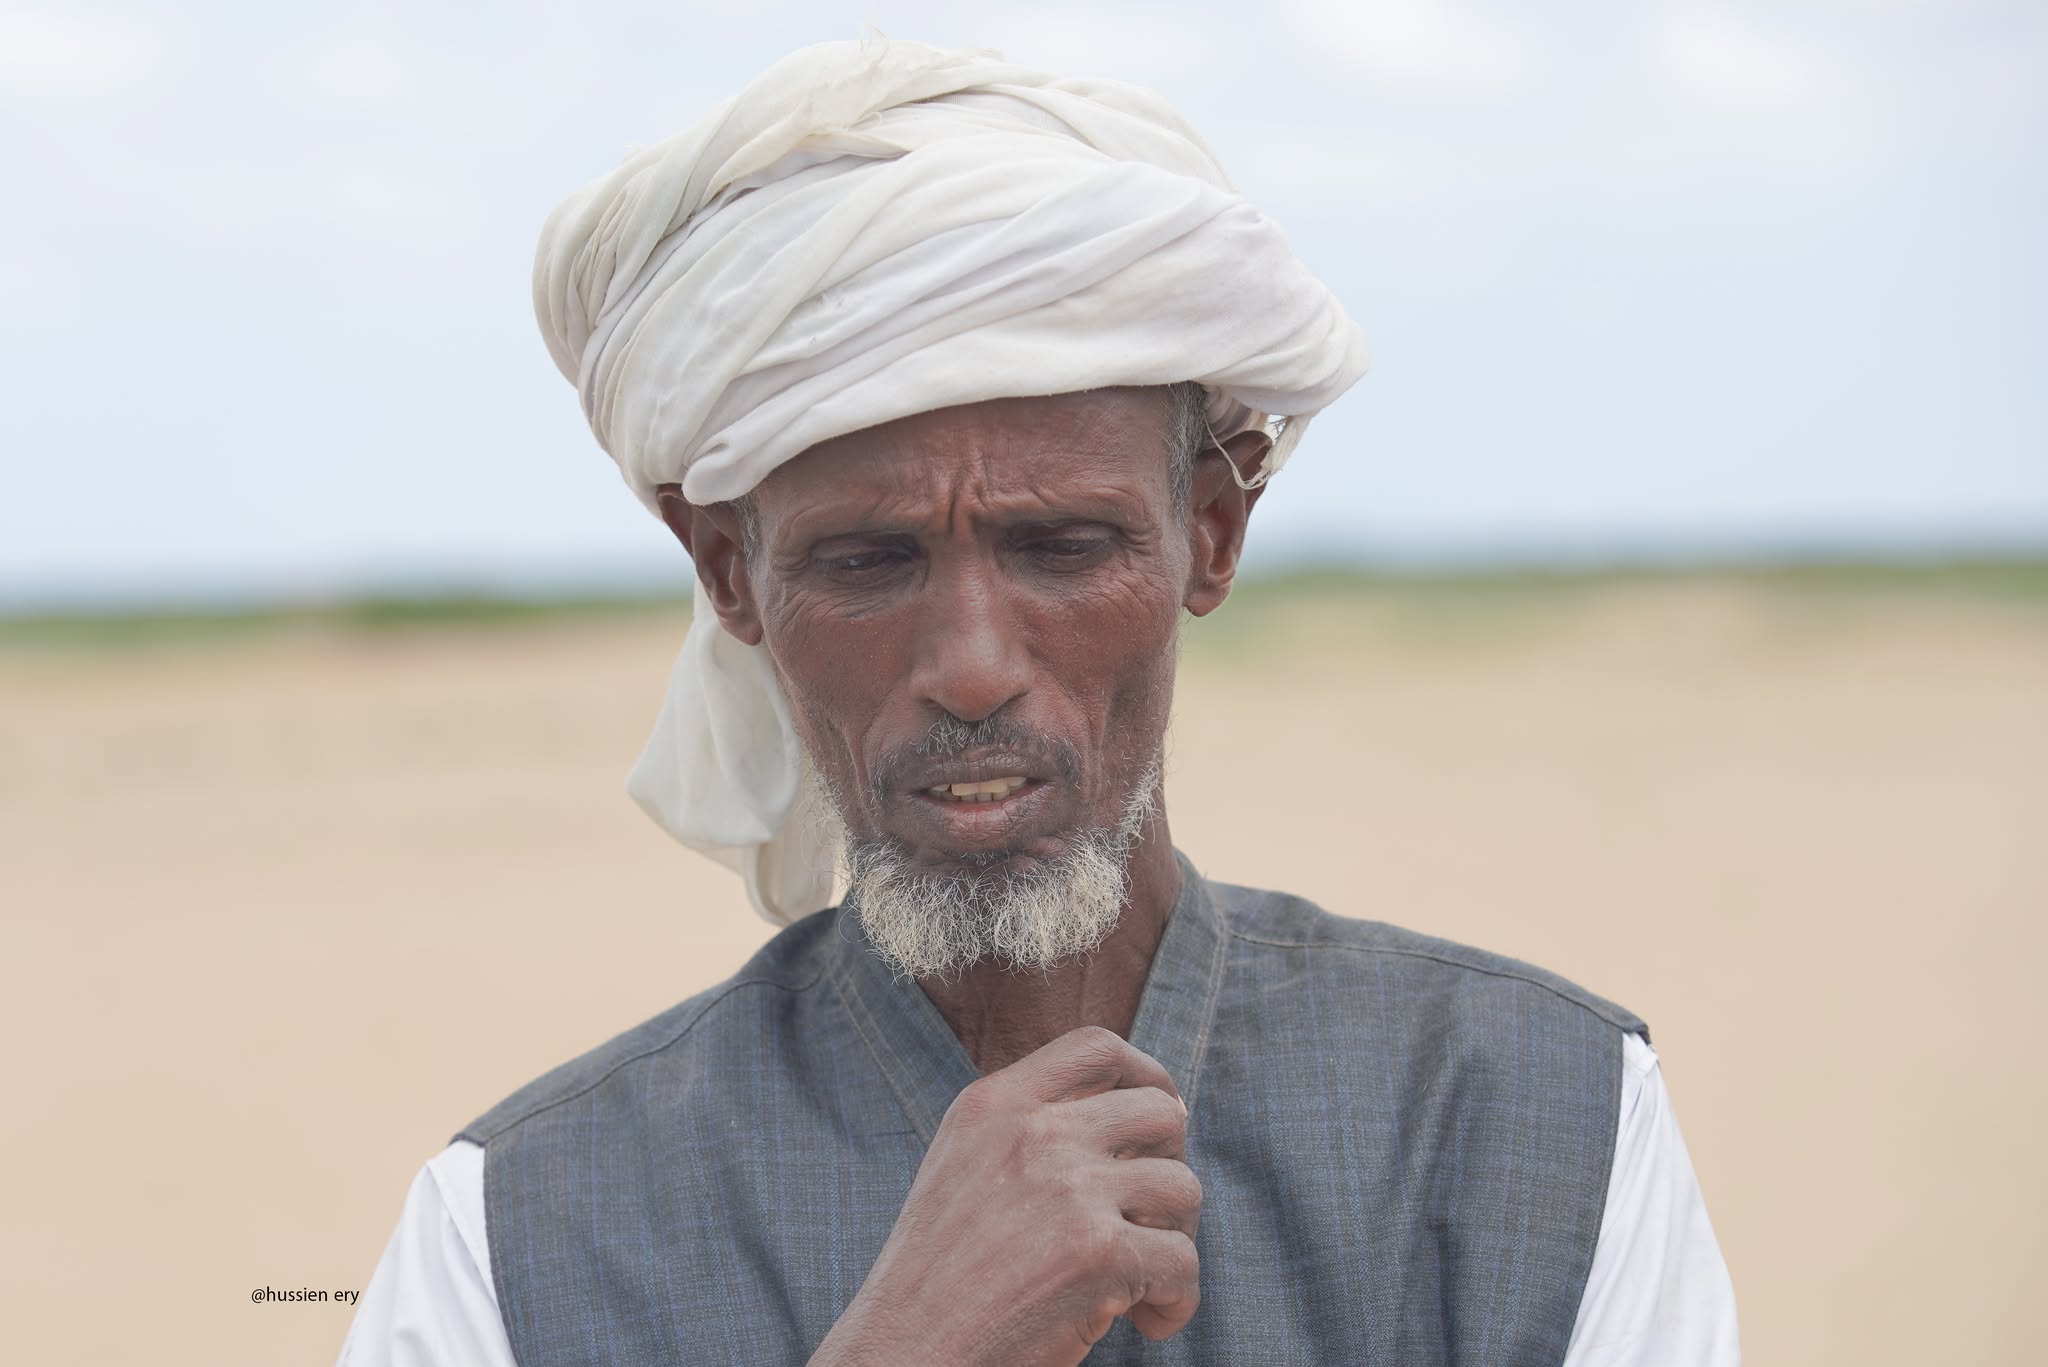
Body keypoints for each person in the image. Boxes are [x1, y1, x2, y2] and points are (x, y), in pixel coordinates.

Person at [340, 38, 1738, 1366]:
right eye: (869, 560)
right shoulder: (520, 1233)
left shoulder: (1527, 1127)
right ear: (729, 571)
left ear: (1211, 530)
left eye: (1062, 547)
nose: (969, 665)